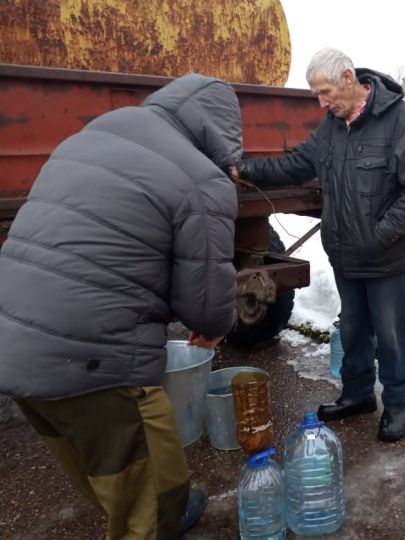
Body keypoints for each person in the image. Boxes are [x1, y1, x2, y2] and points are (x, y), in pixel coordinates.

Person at [0, 73, 241, 538]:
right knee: (148, 505)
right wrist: (213, 327)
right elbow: (208, 305)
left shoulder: (90, 136)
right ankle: (157, 513)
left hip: (13, 342)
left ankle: (160, 505)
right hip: (94, 358)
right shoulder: (201, 178)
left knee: (109, 475)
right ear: (219, 130)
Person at [238, 48, 405, 442]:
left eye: (325, 91)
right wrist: (243, 167)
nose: (321, 102)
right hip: (346, 257)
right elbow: (295, 165)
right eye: (316, 94)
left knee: (391, 335)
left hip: (386, 258)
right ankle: (358, 395)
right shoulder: (331, 127)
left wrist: (380, 236)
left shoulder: (398, 121)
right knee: (353, 329)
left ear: (349, 78)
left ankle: (397, 405)